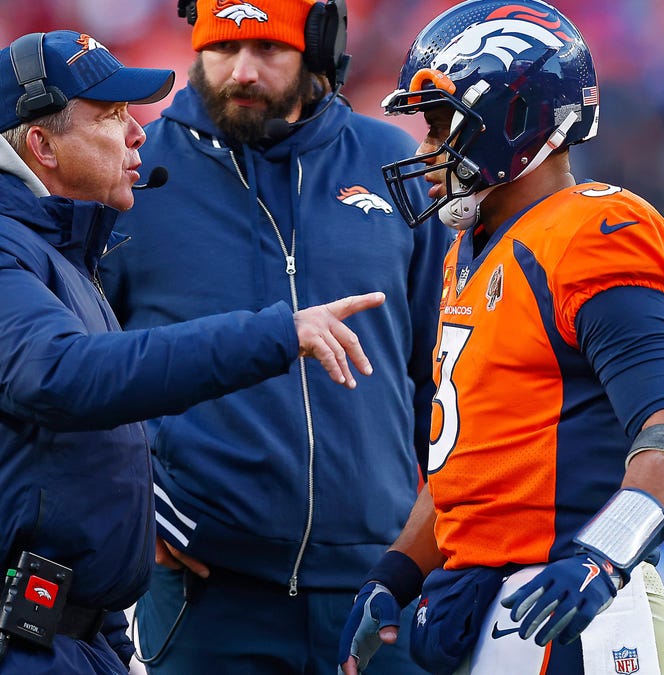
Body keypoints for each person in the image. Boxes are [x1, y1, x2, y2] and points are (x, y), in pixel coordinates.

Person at [0, 29, 388, 675]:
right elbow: (63, 376)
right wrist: (273, 335)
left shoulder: (46, 251)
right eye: (112, 115)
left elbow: (71, 473)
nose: (138, 134)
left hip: (33, 631)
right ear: (42, 145)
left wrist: (103, 632)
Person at [336, 2, 664, 674]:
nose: (425, 149)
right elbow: (472, 464)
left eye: (442, 125)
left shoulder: (594, 235)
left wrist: (605, 555)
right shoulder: (469, 251)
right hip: (491, 601)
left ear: (513, 119)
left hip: (576, 600)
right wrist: (395, 573)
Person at [96, 0, 450, 672]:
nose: (242, 71)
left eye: (267, 48)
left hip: (380, 582)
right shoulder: (134, 171)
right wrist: (139, 501)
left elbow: (444, 372)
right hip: (208, 591)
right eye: (223, 48)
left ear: (316, 50)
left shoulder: (391, 163)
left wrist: (434, 536)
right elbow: (80, 369)